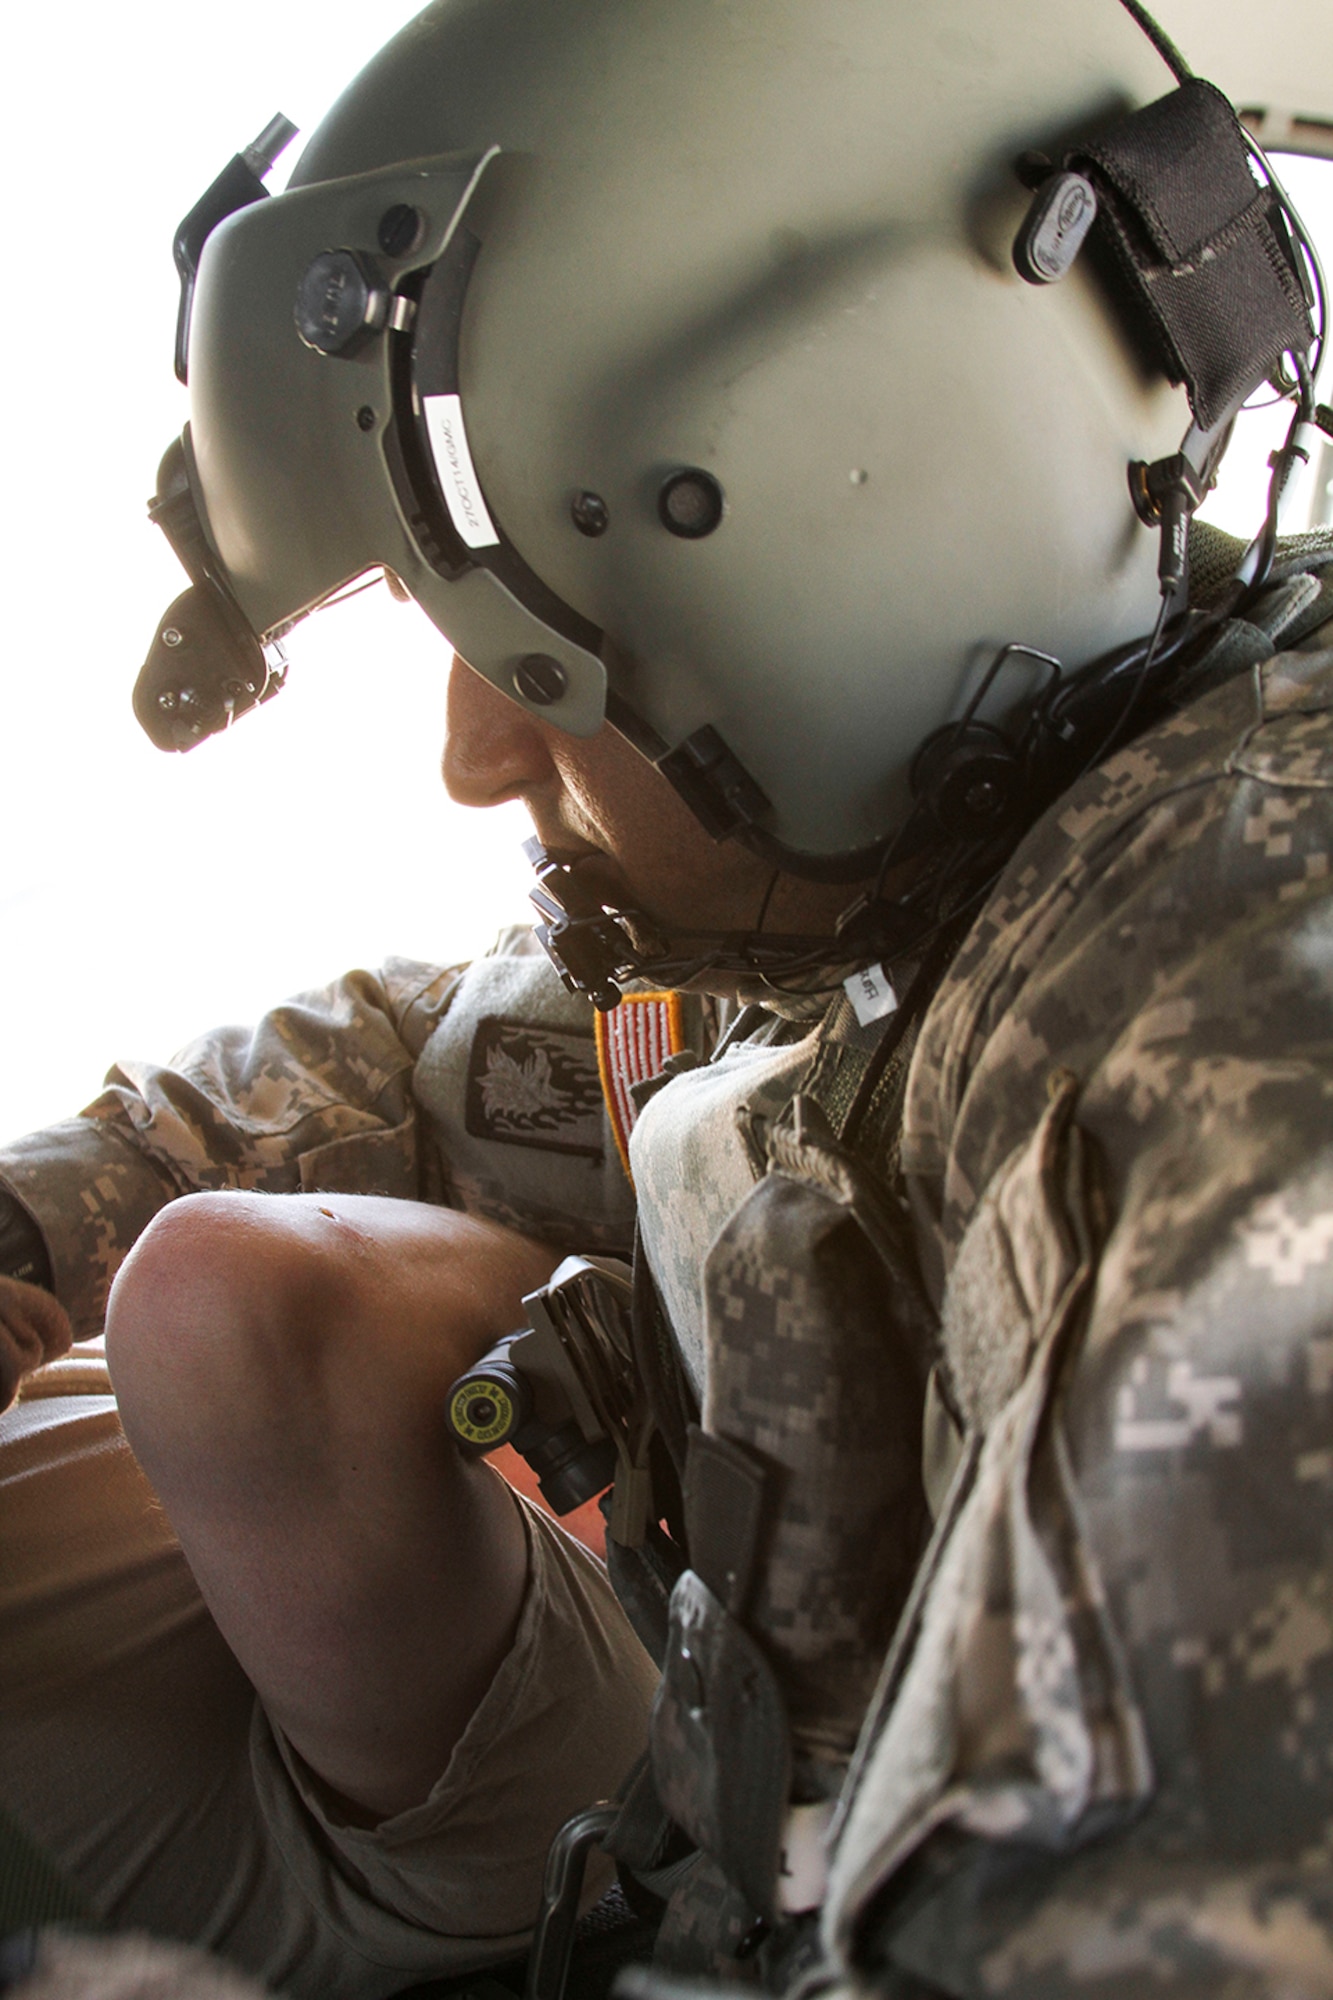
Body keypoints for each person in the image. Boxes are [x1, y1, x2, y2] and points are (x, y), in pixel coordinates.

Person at [3, 1, 1333, 1995]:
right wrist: (33, 1217)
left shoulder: (1232, 1052)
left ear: (834, 527)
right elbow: (453, 1052)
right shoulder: (901, 897)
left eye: (526, 639)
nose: (471, 754)